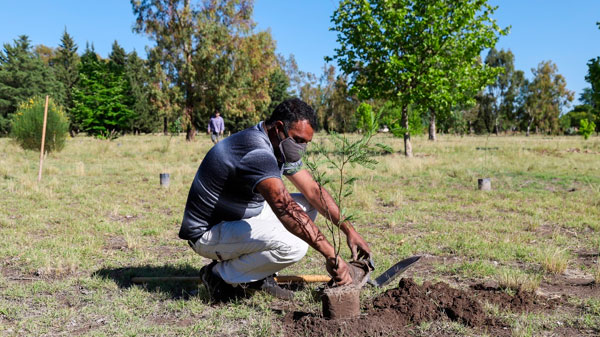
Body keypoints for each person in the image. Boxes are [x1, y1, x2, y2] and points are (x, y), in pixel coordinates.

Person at [180, 98, 371, 301]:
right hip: (208, 232)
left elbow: (314, 192)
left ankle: (256, 271)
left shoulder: (276, 145)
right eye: (298, 140)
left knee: (307, 205)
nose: (301, 148)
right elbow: (285, 208)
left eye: (306, 143)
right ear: (279, 127)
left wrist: (348, 229)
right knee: (293, 246)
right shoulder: (257, 151)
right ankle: (218, 276)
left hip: (237, 217)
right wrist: (332, 255)